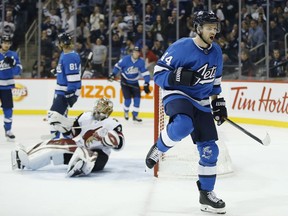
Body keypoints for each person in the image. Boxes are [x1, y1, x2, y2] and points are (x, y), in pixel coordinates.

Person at [145, 11, 227, 214]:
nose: (213, 31)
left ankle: (206, 195)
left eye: (215, 27)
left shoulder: (216, 52)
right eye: (209, 27)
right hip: (178, 95)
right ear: (198, 29)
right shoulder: (182, 47)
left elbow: (215, 84)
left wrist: (219, 105)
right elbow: (158, 73)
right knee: (183, 124)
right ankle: (159, 148)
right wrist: (178, 77)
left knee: (210, 151)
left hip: (201, 102)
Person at [11, 98, 125, 177]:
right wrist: (63, 127)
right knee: (55, 144)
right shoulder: (85, 116)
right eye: (99, 105)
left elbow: (120, 144)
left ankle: (81, 166)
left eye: (103, 107)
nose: (99, 108)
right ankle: (26, 158)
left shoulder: (112, 124)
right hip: (80, 147)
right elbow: (72, 134)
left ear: (107, 111)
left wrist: (111, 140)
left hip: (100, 155)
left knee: (87, 155)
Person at [48, 32, 81, 139]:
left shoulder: (69, 57)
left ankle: (55, 138)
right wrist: (58, 72)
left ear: (62, 43)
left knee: (53, 116)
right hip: (61, 90)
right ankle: (67, 138)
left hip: (65, 91)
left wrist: (71, 92)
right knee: (62, 116)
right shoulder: (66, 54)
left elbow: (73, 77)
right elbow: (67, 72)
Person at [108, 46, 151, 122]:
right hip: (125, 82)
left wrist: (146, 83)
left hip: (135, 82)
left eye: (138, 52)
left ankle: (135, 115)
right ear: (132, 52)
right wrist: (113, 74)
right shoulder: (125, 59)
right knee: (128, 100)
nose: (136, 53)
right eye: (135, 52)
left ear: (139, 53)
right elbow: (117, 66)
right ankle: (126, 112)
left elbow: (145, 73)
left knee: (137, 100)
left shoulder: (141, 62)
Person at [0, 35, 22, 141]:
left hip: (6, 87)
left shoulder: (13, 55)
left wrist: (13, 64)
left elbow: (18, 71)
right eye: (5, 43)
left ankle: (8, 130)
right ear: (1, 43)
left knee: (8, 109)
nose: (7, 45)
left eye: (8, 43)